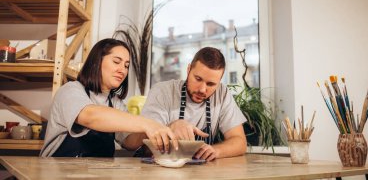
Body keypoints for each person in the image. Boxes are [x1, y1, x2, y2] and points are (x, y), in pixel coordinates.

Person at [40, 38, 177, 157]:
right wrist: (147, 123)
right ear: (96, 62)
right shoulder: (70, 91)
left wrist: (158, 130)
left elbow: (130, 142)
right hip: (57, 171)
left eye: (126, 65)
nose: (122, 70)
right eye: (116, 62)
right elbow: (90, 116)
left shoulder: (116, 102)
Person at [125, 47, 247, 161]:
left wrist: (215, 150)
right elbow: (146, 147)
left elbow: (240, 142)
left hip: (201, 171)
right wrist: (171, 127)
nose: (202, 89)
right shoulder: (162, 92)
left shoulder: (222, 94)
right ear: (188, 70)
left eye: (211, 84)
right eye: (198, 79)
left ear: (219, 82)